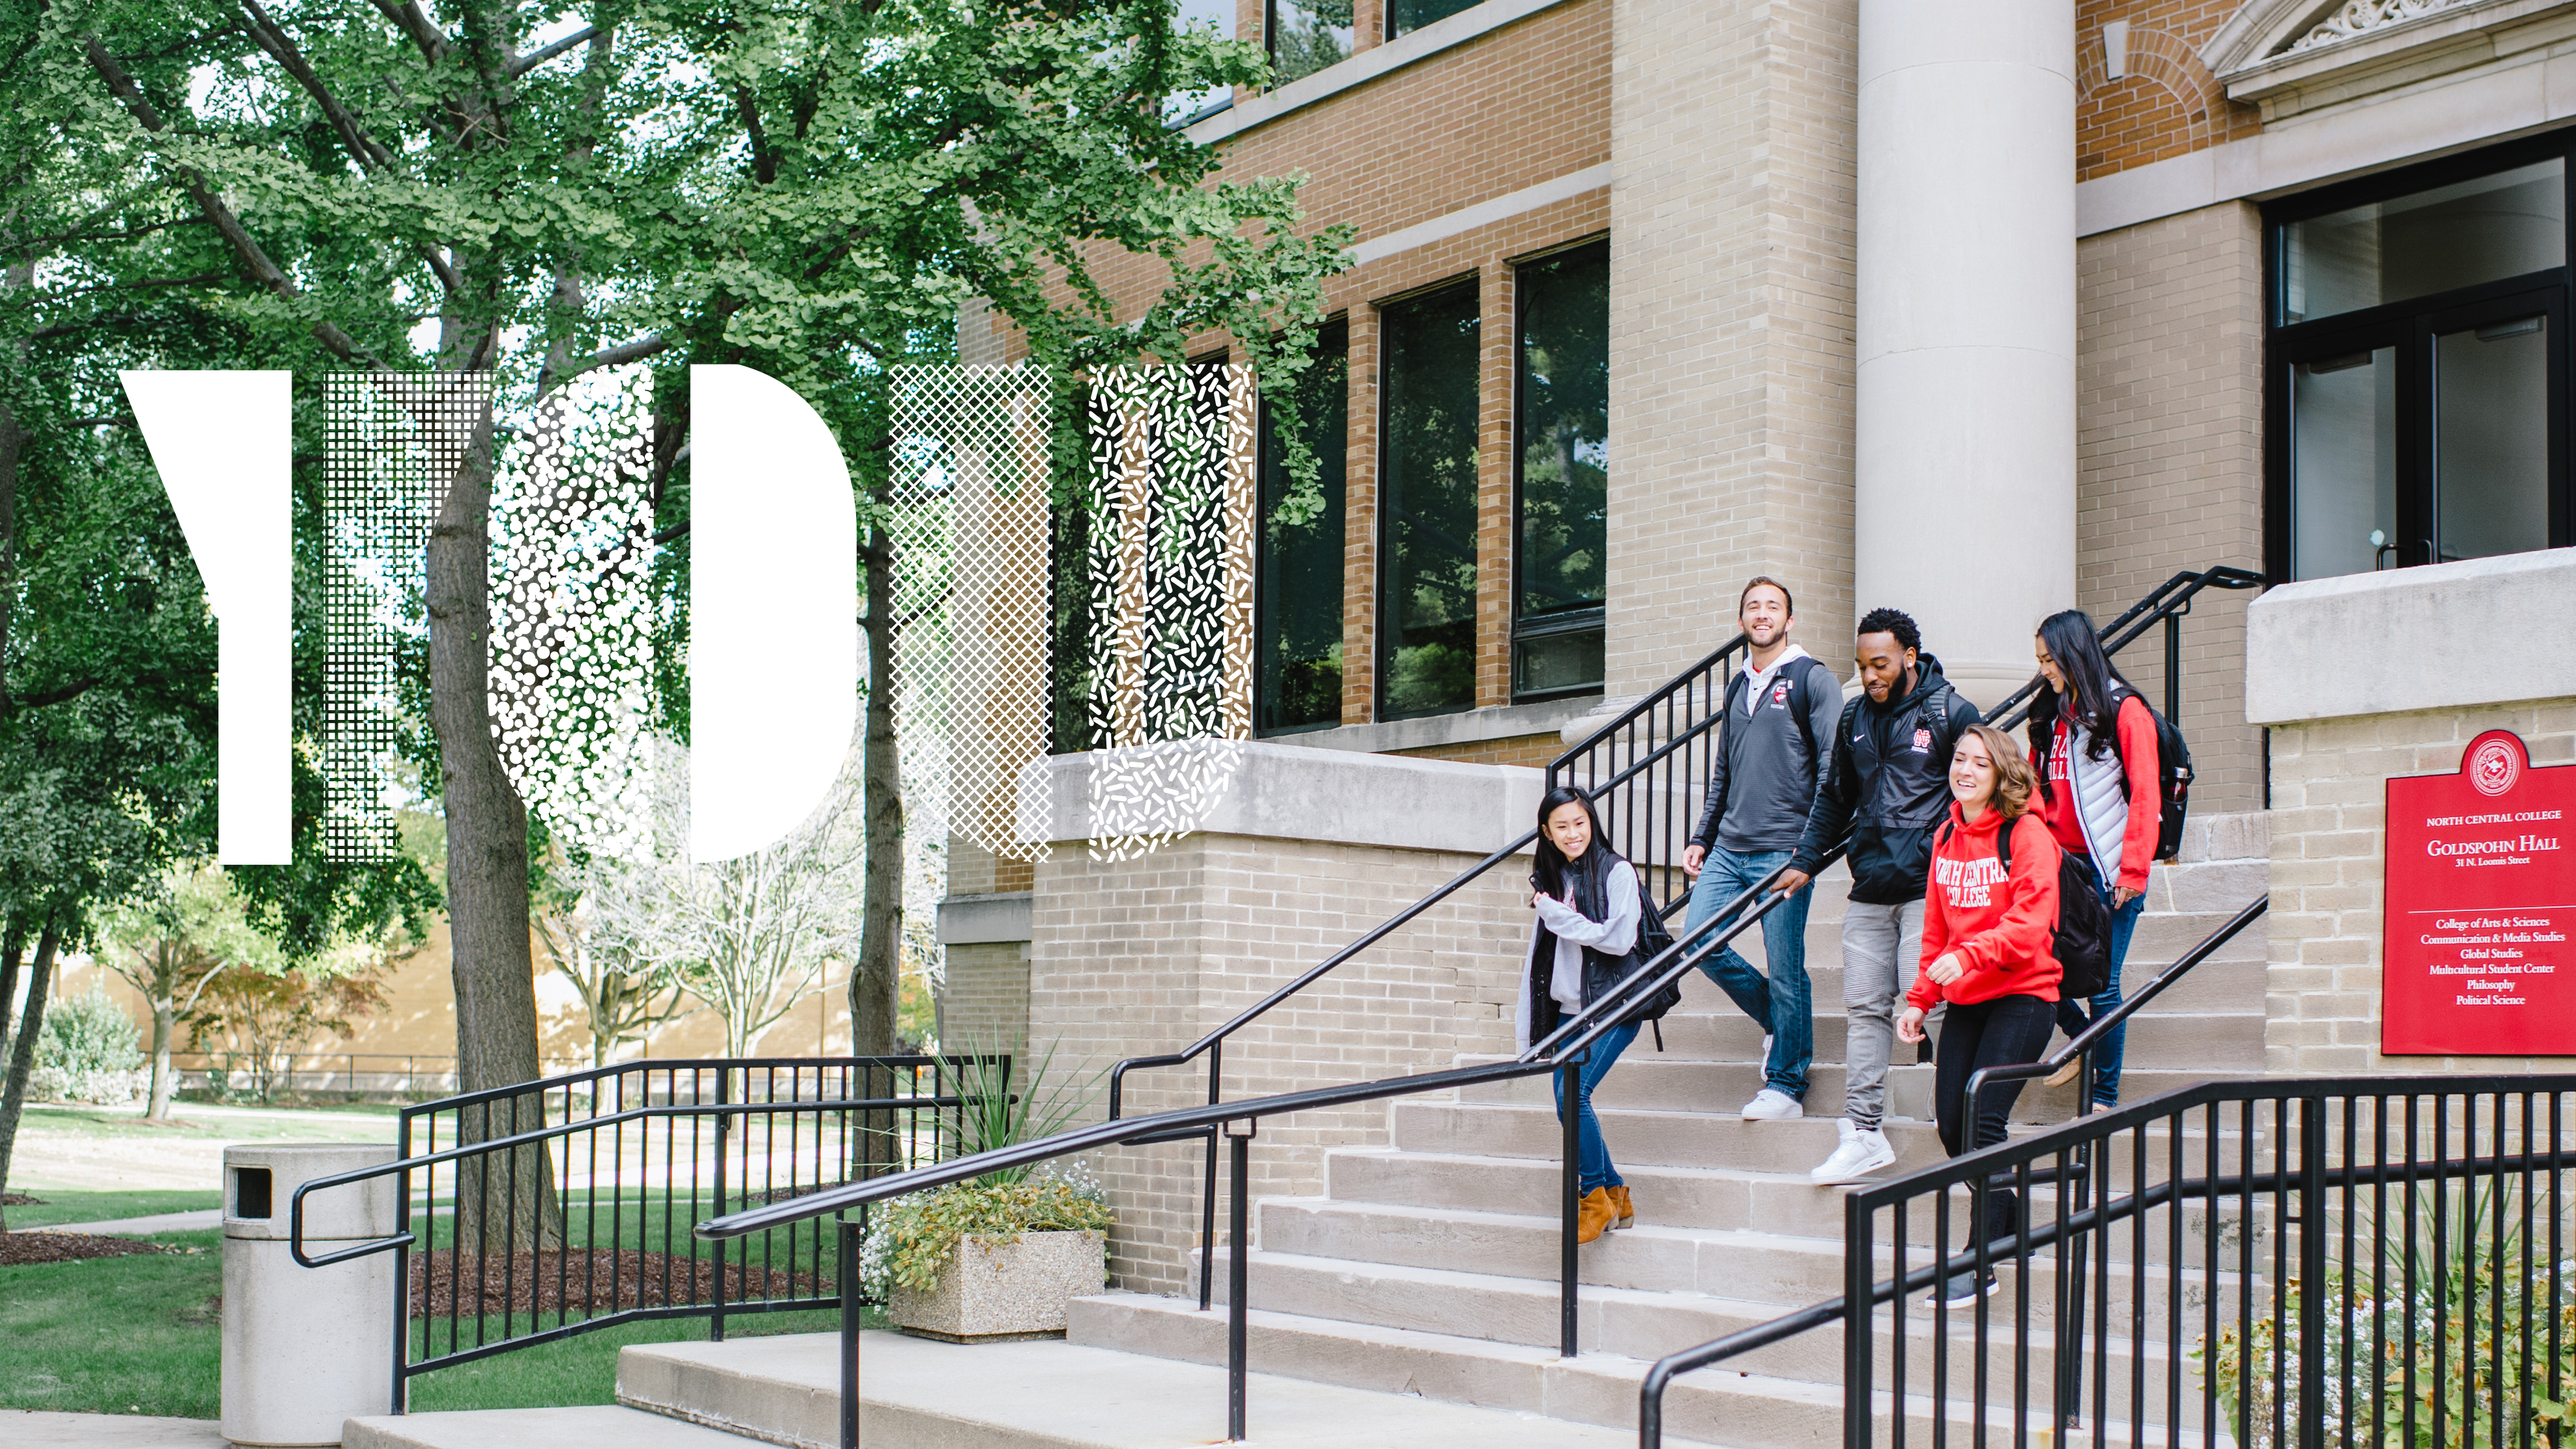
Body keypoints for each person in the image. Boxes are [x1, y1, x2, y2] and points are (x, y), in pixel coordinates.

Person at [1776, 608, 1983, 1184]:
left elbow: (1986, 793)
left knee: (1934, 1007)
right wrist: (1803, 862)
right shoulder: (1853, 719)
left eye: (1881, 663)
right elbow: (1833, 799)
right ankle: (1863, 1132)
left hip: (1928, 890)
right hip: (1868, 889)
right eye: (1862, 664)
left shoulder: (1951, 713)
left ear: (1909, 657)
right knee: (1865, 1010)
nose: (1870, 675)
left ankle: (1963, 1126)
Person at [1896, 723, 2062, 1306]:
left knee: (1983, 1118)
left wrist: (1968, 955)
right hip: (1967, 997)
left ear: (2001, 775)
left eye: (1979, 763)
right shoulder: (1945, 835)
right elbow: (1936, 929)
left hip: (2024, 995)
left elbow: (2028, 925)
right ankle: (2010, 1213)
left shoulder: (2026, 834)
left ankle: (1979, 1260)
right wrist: (1919, 998)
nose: (1964, 770)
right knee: (1950, 1122)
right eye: (1959, 759)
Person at [1681, 576, 1841, 1121]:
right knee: (1696, 944)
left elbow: (1831, 771)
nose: (1762, 613)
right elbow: (1723, 770)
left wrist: (1809, 852)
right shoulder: (1736, 685)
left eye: (1773, 606)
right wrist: (1703, 834)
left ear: (1789, 620)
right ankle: (1776, 1018)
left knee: (1786, 965)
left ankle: (1787, 1084)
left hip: (1783, 850)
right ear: (1742, 620)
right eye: (1753, 607)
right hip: (1729, 846)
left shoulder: (1811, 679)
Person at [2026, 609, 2159, 1108]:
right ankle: (2083, 1040)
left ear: (2073, 653)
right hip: (2063, 872)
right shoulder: (2051, 716)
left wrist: (2134, 870)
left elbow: (2146, 794)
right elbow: (2039, 792)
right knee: (2039, 966)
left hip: (2110, 872)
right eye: (2038, 660)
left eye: (2049, 659)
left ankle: (2104, 1096)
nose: (2043, 670)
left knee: (2102, 986)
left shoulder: (2125, 712)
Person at [1515, 785, 1645, 1244]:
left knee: (1575, 1096)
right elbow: (1542, 958)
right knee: (1565, 1104)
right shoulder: (1554, 880)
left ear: (1591, 822)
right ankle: (1614, 1192)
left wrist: (1551, 912)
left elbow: (1618, 939)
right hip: (1569, 1011)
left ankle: (1592, 1196)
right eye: (1562, 827)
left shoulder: (1617, 872)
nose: (1573, 834)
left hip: (1614, 1005)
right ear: (1547, 834)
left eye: (1579, 823)